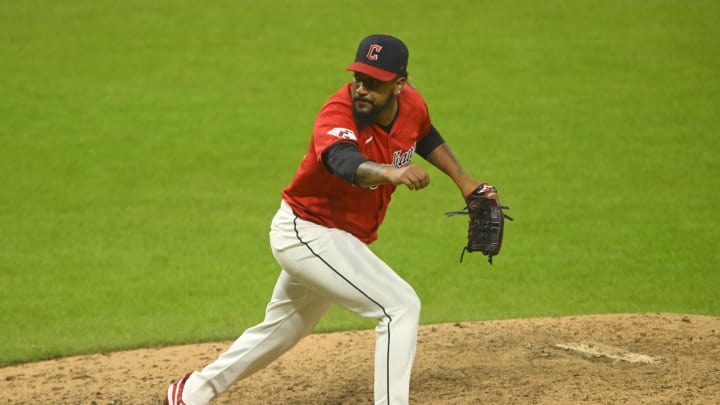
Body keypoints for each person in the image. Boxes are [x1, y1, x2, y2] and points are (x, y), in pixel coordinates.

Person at [166, 34, 490, 405]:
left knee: (284, 329)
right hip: (306, 232)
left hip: (338, 240)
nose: (362, 89)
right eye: (359, 78)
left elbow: (424, 133)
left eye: (374, 82)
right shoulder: (337, 113)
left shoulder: (412, 104)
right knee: (399, 306)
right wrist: (389, 172)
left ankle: (191, 392)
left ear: (401, 84)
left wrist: (464, 181)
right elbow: (343, 162)